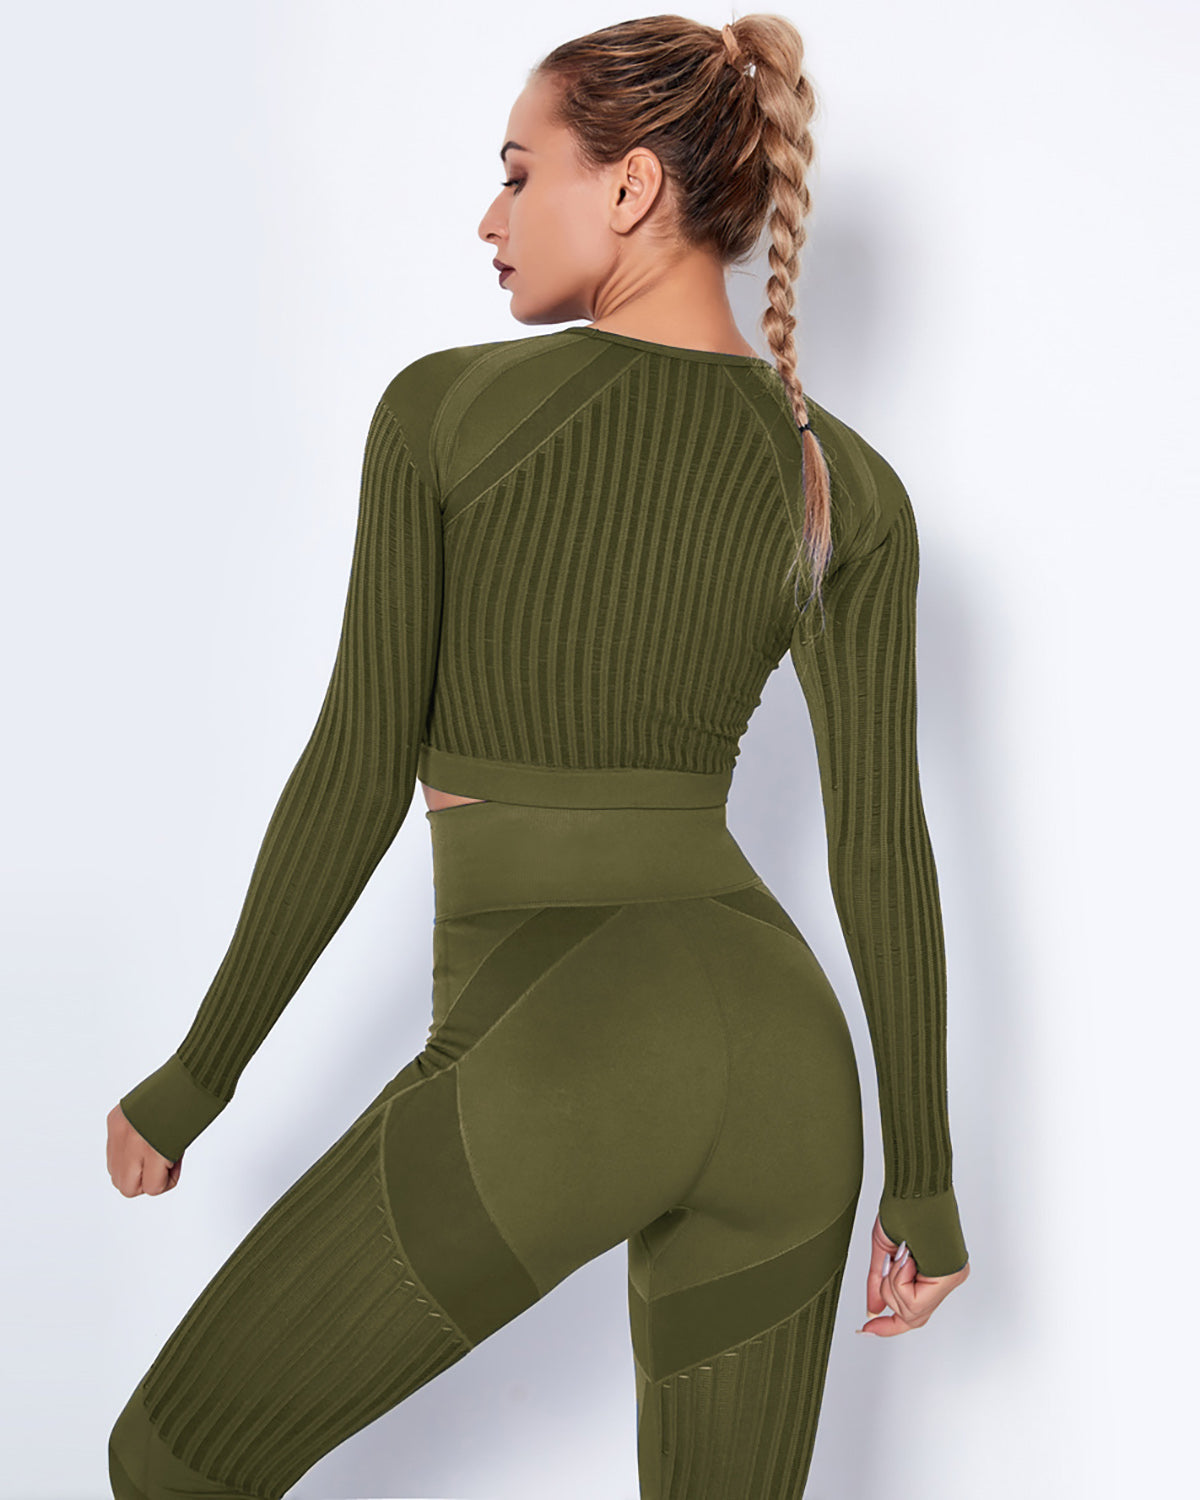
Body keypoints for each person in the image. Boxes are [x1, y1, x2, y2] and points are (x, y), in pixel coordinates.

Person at [106, 13, 970, 1499]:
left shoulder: (448, 411)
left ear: (630, 188)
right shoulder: (845, 480)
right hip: (786, 1074)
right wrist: (928, 1183)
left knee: (172, 1463)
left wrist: (197, 1076)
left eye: (519, 173)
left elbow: (355, 769)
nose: (489, 217)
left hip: (576, 1043)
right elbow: (881, 843)